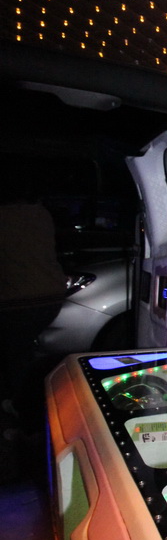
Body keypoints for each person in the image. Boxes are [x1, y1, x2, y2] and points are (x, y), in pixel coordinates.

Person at [0, 164, 66, 471]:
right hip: (50, 295)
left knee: (15, 357)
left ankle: (25, 423)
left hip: (16, 300)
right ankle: (28, 408)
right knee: (22, 351)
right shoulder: (40, 214)